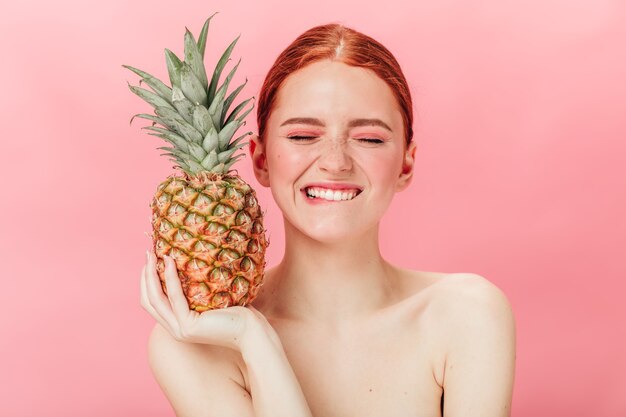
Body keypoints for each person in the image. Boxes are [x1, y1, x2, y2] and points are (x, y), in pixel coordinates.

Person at [140, 23, 516, 417]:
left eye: (370, 139)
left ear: (406, 163)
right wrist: (253, 338)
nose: (335, 163)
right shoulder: (195, 345)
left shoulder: (468, 314)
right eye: (302, 136)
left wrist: (254, 341)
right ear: (260, 159)